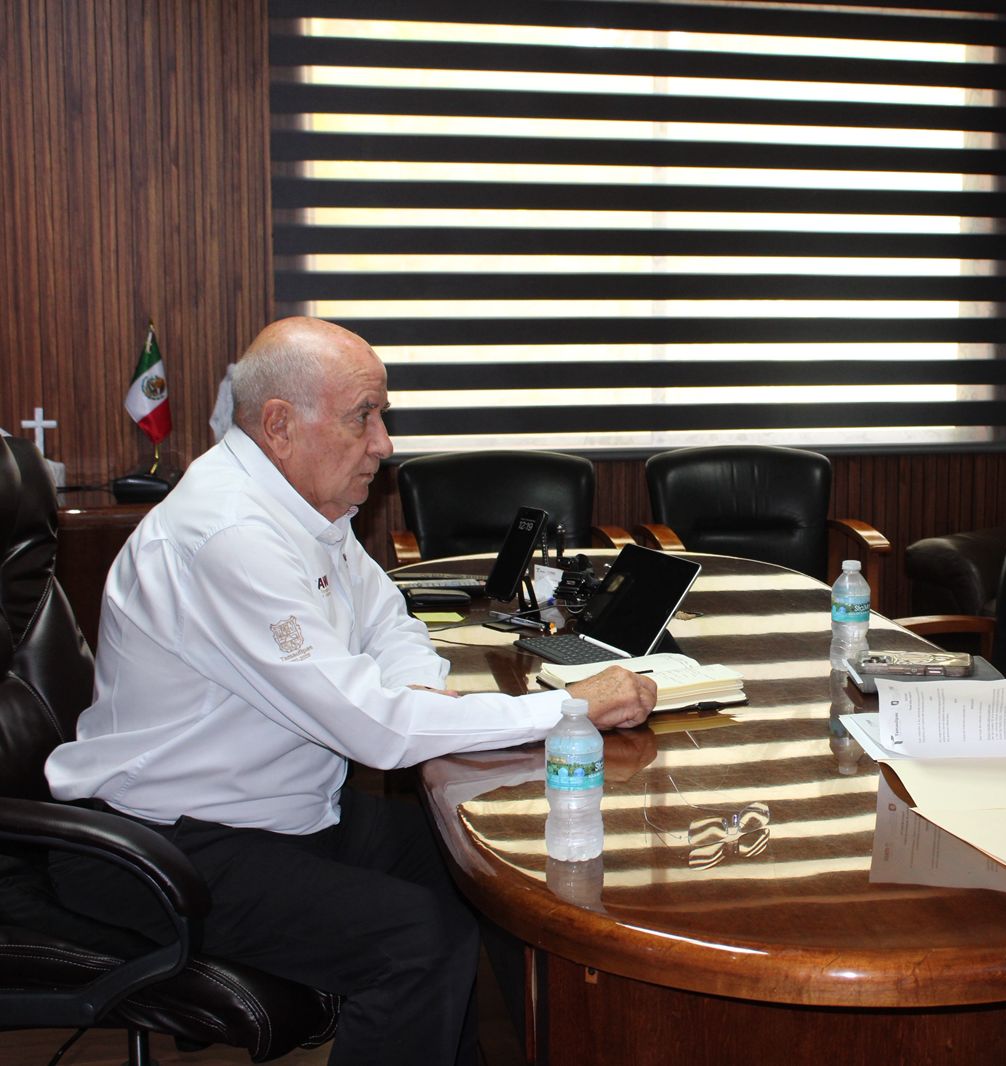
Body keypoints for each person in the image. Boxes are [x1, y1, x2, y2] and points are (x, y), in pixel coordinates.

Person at [44, 316, 657, 1066]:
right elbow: (375, 732)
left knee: (485, 866)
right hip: (165, 842)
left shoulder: (306, 509)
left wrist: (420, 696)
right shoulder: (229, 534)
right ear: (279, 426)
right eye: (362, 416)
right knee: (417, 943)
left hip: (284, 809)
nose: (384, 443)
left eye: (381, 416)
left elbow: (390, 621)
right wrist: (572, 707)